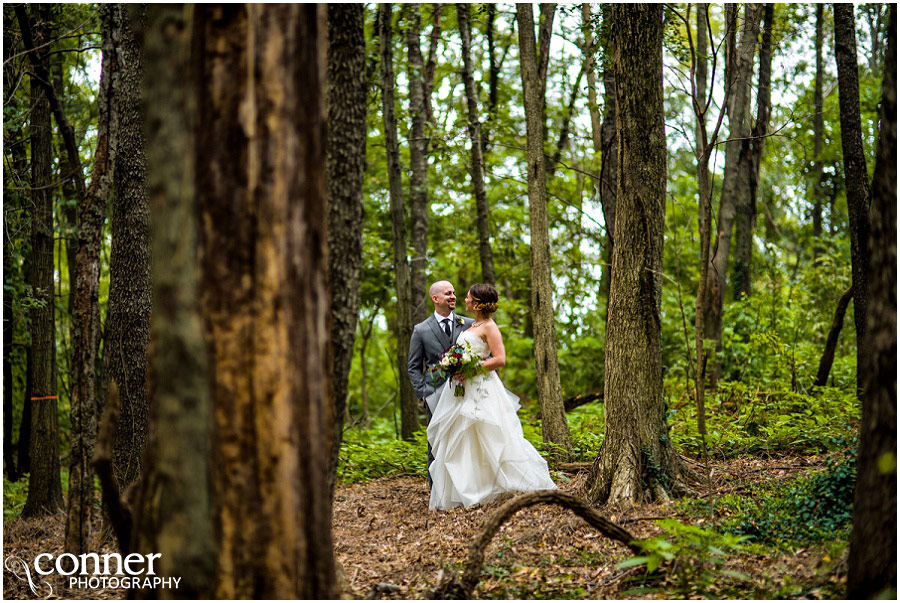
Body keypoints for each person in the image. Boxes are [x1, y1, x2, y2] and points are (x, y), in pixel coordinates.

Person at [427, 284, 557, 510]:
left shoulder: (489, 327)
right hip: (461, 390)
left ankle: (501, 484)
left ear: (476, 303)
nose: (464, 301)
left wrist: (471, 370)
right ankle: (470, 488)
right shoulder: (472, 326)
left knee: (490, 434)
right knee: (464, 437)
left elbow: (500, 359)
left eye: (467, 298)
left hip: (482, 388)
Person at [408, 281, 475, 485]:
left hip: (466, 391)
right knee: (436, 441)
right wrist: (424, 394)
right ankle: (436, 489)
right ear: (435, 299)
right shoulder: (421, 330)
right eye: (448, 294)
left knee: (465, 439)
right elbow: (413, 366)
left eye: (454, 293)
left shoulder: (469, 324)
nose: (453, 296)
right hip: (435, 394)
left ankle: (465, 485)